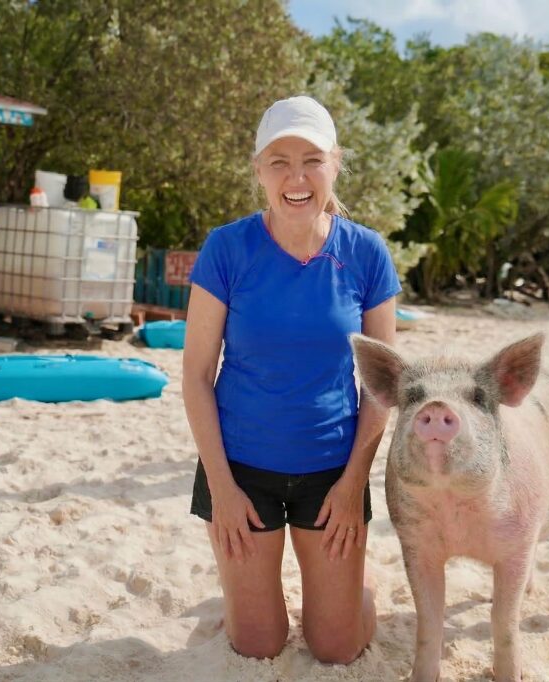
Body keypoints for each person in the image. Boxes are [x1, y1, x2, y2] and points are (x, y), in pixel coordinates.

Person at [183, 95, 401, 664]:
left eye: (312, 160)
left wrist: (353, 485)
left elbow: (381, 387)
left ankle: (358, 590)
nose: (296, 177)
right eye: (279, 161)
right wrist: (222, 489)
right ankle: (250, 594)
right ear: (259, 170)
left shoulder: (367, 253)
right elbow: (197, 375)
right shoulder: (227, 248)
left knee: (337, 647)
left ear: (335, 164)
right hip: (240, 471)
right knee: (259, 644)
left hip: (332, 474)